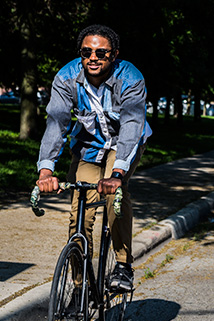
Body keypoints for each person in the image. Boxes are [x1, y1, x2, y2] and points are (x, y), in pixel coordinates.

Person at [36, 24, 151, 292]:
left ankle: (123, 265)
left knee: (114, 194)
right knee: (80, 216)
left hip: (124, 145)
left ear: (114, 54)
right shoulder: (66, 78)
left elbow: (132, 125)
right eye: (87, 52)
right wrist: (46, 170)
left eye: (101, 52)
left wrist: (118, 174)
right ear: (80, 54)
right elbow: (56, 123)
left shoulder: (130, 78)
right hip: (88, 147)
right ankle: (80, 288)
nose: (93, 58)